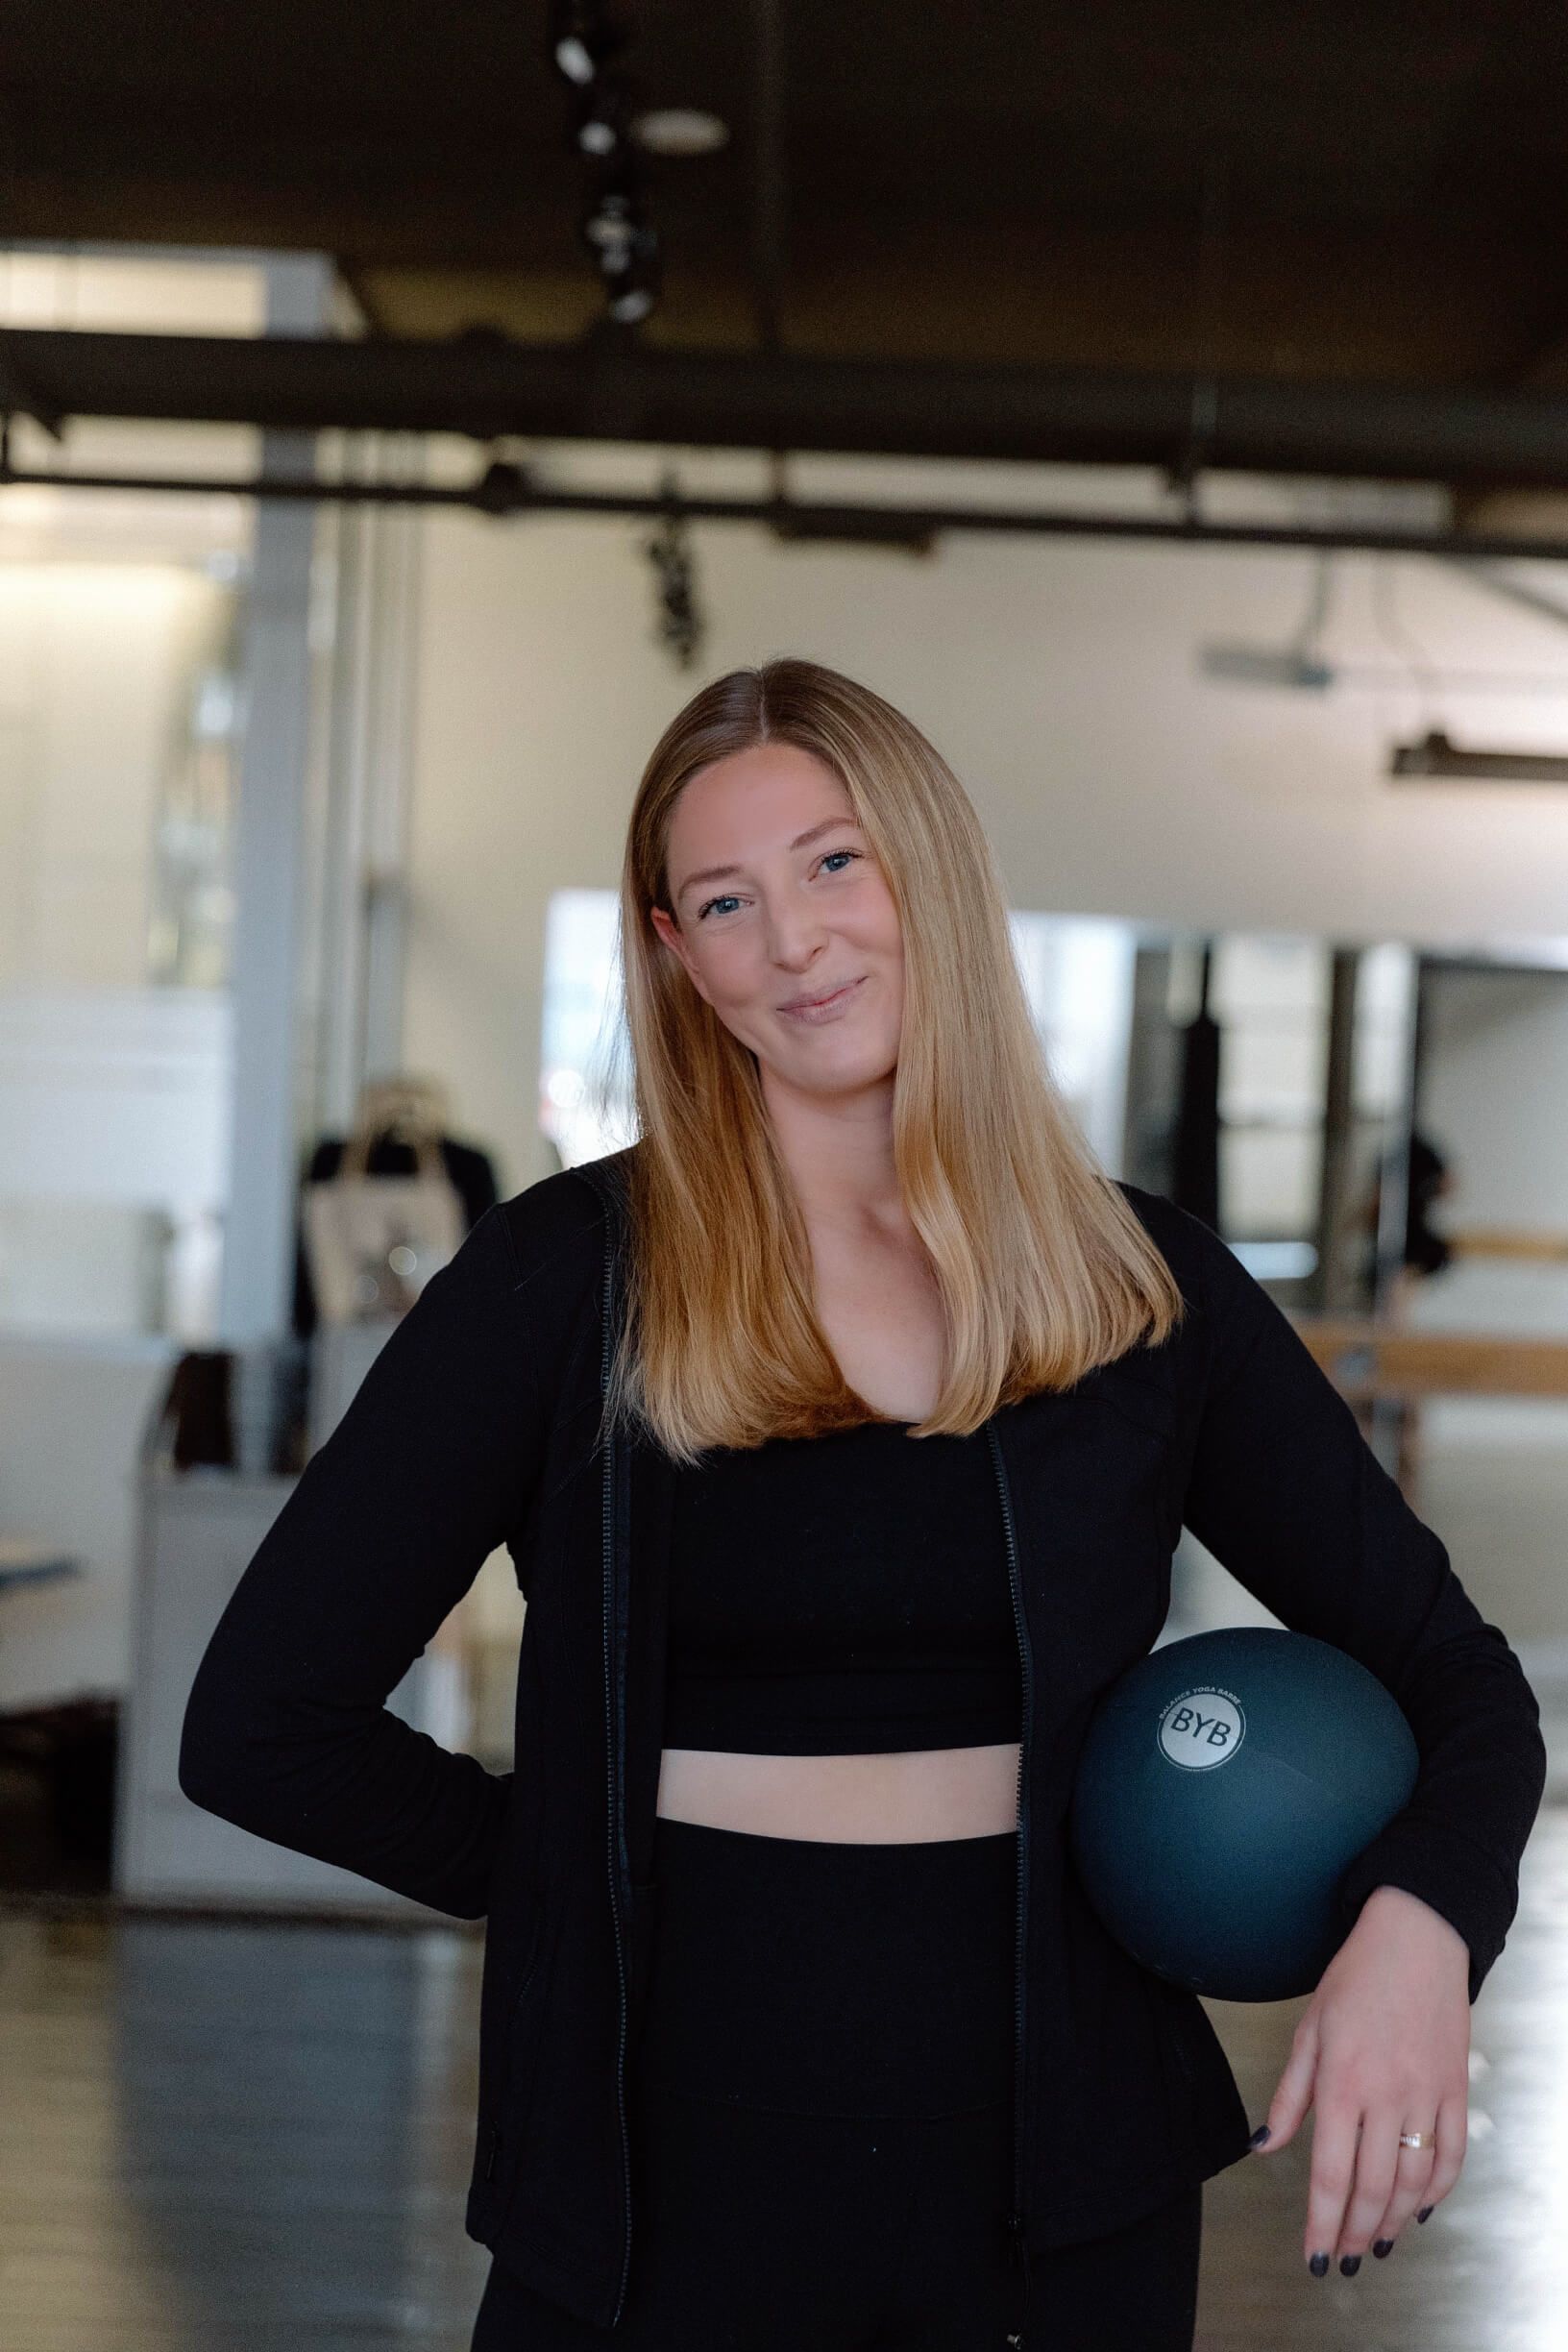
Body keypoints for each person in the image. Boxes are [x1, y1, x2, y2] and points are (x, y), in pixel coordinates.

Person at [179, 659, 1548, 2351]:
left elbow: (1460, 1683)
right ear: (678, 957)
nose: (797, 942)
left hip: (1066, 2164)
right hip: (661, 2156)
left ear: (935, 873)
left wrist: (1423, 1930)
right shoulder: (565, 1281)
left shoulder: (1139, 1289)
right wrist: (578, 1862)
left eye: (837, 864)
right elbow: (261, 1721)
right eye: (727, 900)